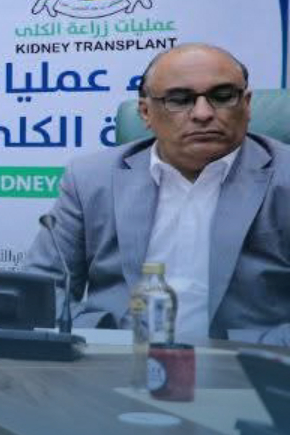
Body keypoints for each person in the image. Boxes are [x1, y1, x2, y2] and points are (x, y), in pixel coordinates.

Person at [25, 42, 290, 345]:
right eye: (179, 100)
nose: (203, 113)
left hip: (249, 364)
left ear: (247, 104)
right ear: (145, 113)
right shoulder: (91, 178)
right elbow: (41, 291)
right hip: (116, 359)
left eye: (222, 96)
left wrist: (244, 348)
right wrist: (109, 338)